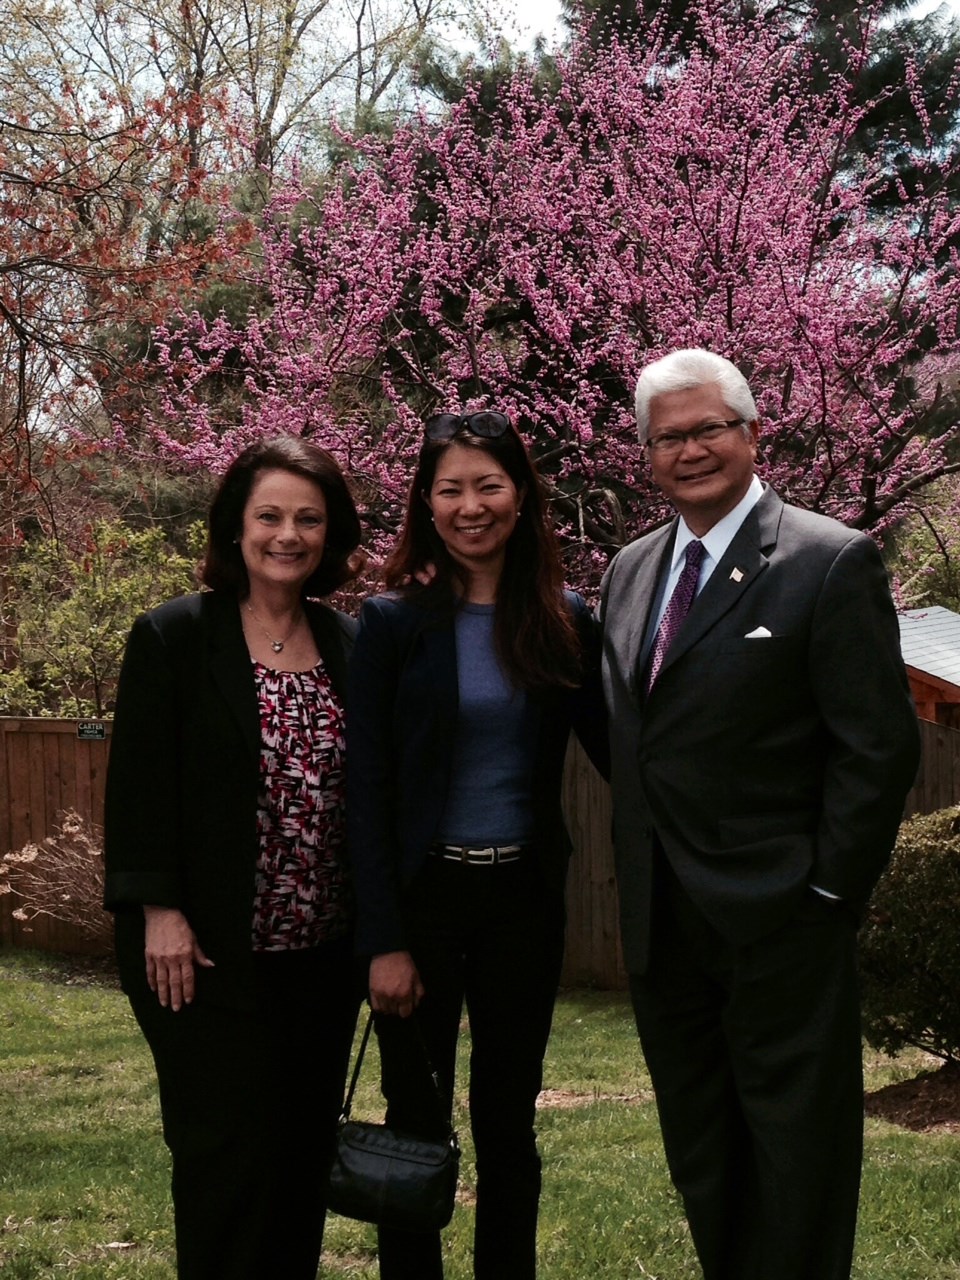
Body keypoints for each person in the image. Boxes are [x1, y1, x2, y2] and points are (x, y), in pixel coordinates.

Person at [599, 348, 921, 1280]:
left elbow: (879, 748)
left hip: (783, 917)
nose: (690, 450)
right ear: (647, 454)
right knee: (704, 1153)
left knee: (797, 1158)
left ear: (750, 434)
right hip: (663, 922)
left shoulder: (827, 559)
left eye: (709, 429)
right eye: (670, 437)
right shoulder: (630, 569)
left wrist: (825, 890)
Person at [346, 410, 608, 1280]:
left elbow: (623, 753)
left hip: (520, 905)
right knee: (413, 1120)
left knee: (508, 1121)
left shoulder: (564, 616)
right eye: (450, 488)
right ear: (427, 500)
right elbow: (368, 788)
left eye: (488, 485)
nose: (470, 506)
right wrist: (382, 940)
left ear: (521, 494)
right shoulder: (390, 624)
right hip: (422, 905)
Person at [103, 435, 364, 1280]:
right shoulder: (175, 637)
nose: (288, 534)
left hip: (320, 962)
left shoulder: (350, 644)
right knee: (224, 1161)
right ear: (234, 527)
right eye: (269, 515)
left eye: (308, 519)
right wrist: (161, 911)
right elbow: (141, 789)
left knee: (298, 1160)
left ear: (330, 534)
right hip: (206, 958)